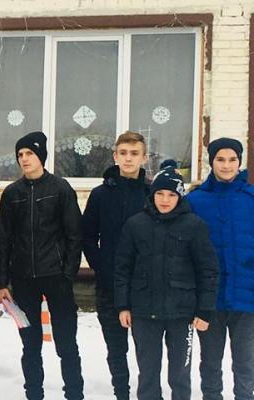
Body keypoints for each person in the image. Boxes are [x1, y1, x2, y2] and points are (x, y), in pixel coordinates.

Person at [115, 160, 218, 400]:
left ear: (179, 197)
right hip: (144, 312)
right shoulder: (135, 224)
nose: (164, 199)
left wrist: (204, 310)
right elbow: (122, 268)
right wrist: (123, 305)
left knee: (180, 375)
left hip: (182, 314)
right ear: (152, 194)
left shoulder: (194, 226)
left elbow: (208, 270)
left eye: (171, 195)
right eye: (160, 193)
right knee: (148, 374)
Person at [0, 131, 84, 400]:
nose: (24, 159)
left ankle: (74, 394)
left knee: (66, 344)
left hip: (57, 278)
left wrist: (68, 273)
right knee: (30, 346)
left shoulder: (60, 189)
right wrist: (2, 282)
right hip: (23, 281)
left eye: (30, 153)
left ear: (41, 156)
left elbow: (75, 235)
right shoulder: (12, 194)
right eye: (20, 155)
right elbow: (3, 240)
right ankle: (34, 394)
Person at [81, 131, 149, 400]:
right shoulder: (100, 195)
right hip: (109, 284)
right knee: (116, 348)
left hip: (145, 286)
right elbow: (87, 235)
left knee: (147, 350)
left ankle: (147, 394)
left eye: (134, 153)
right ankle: (121, 393)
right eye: (123, 153)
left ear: (144, 157)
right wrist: (101, 266)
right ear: (115, 156)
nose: (128, 158)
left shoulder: (152, 194)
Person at [186, 138, 254, 400]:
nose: (226, 165)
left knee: (245, 362)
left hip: (246, 297)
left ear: (240, 162)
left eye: (232, 160)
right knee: (210, 362)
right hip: (210, 299)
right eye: (220, 159)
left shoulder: (250, 198)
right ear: (211, 162)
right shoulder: (195, 201)